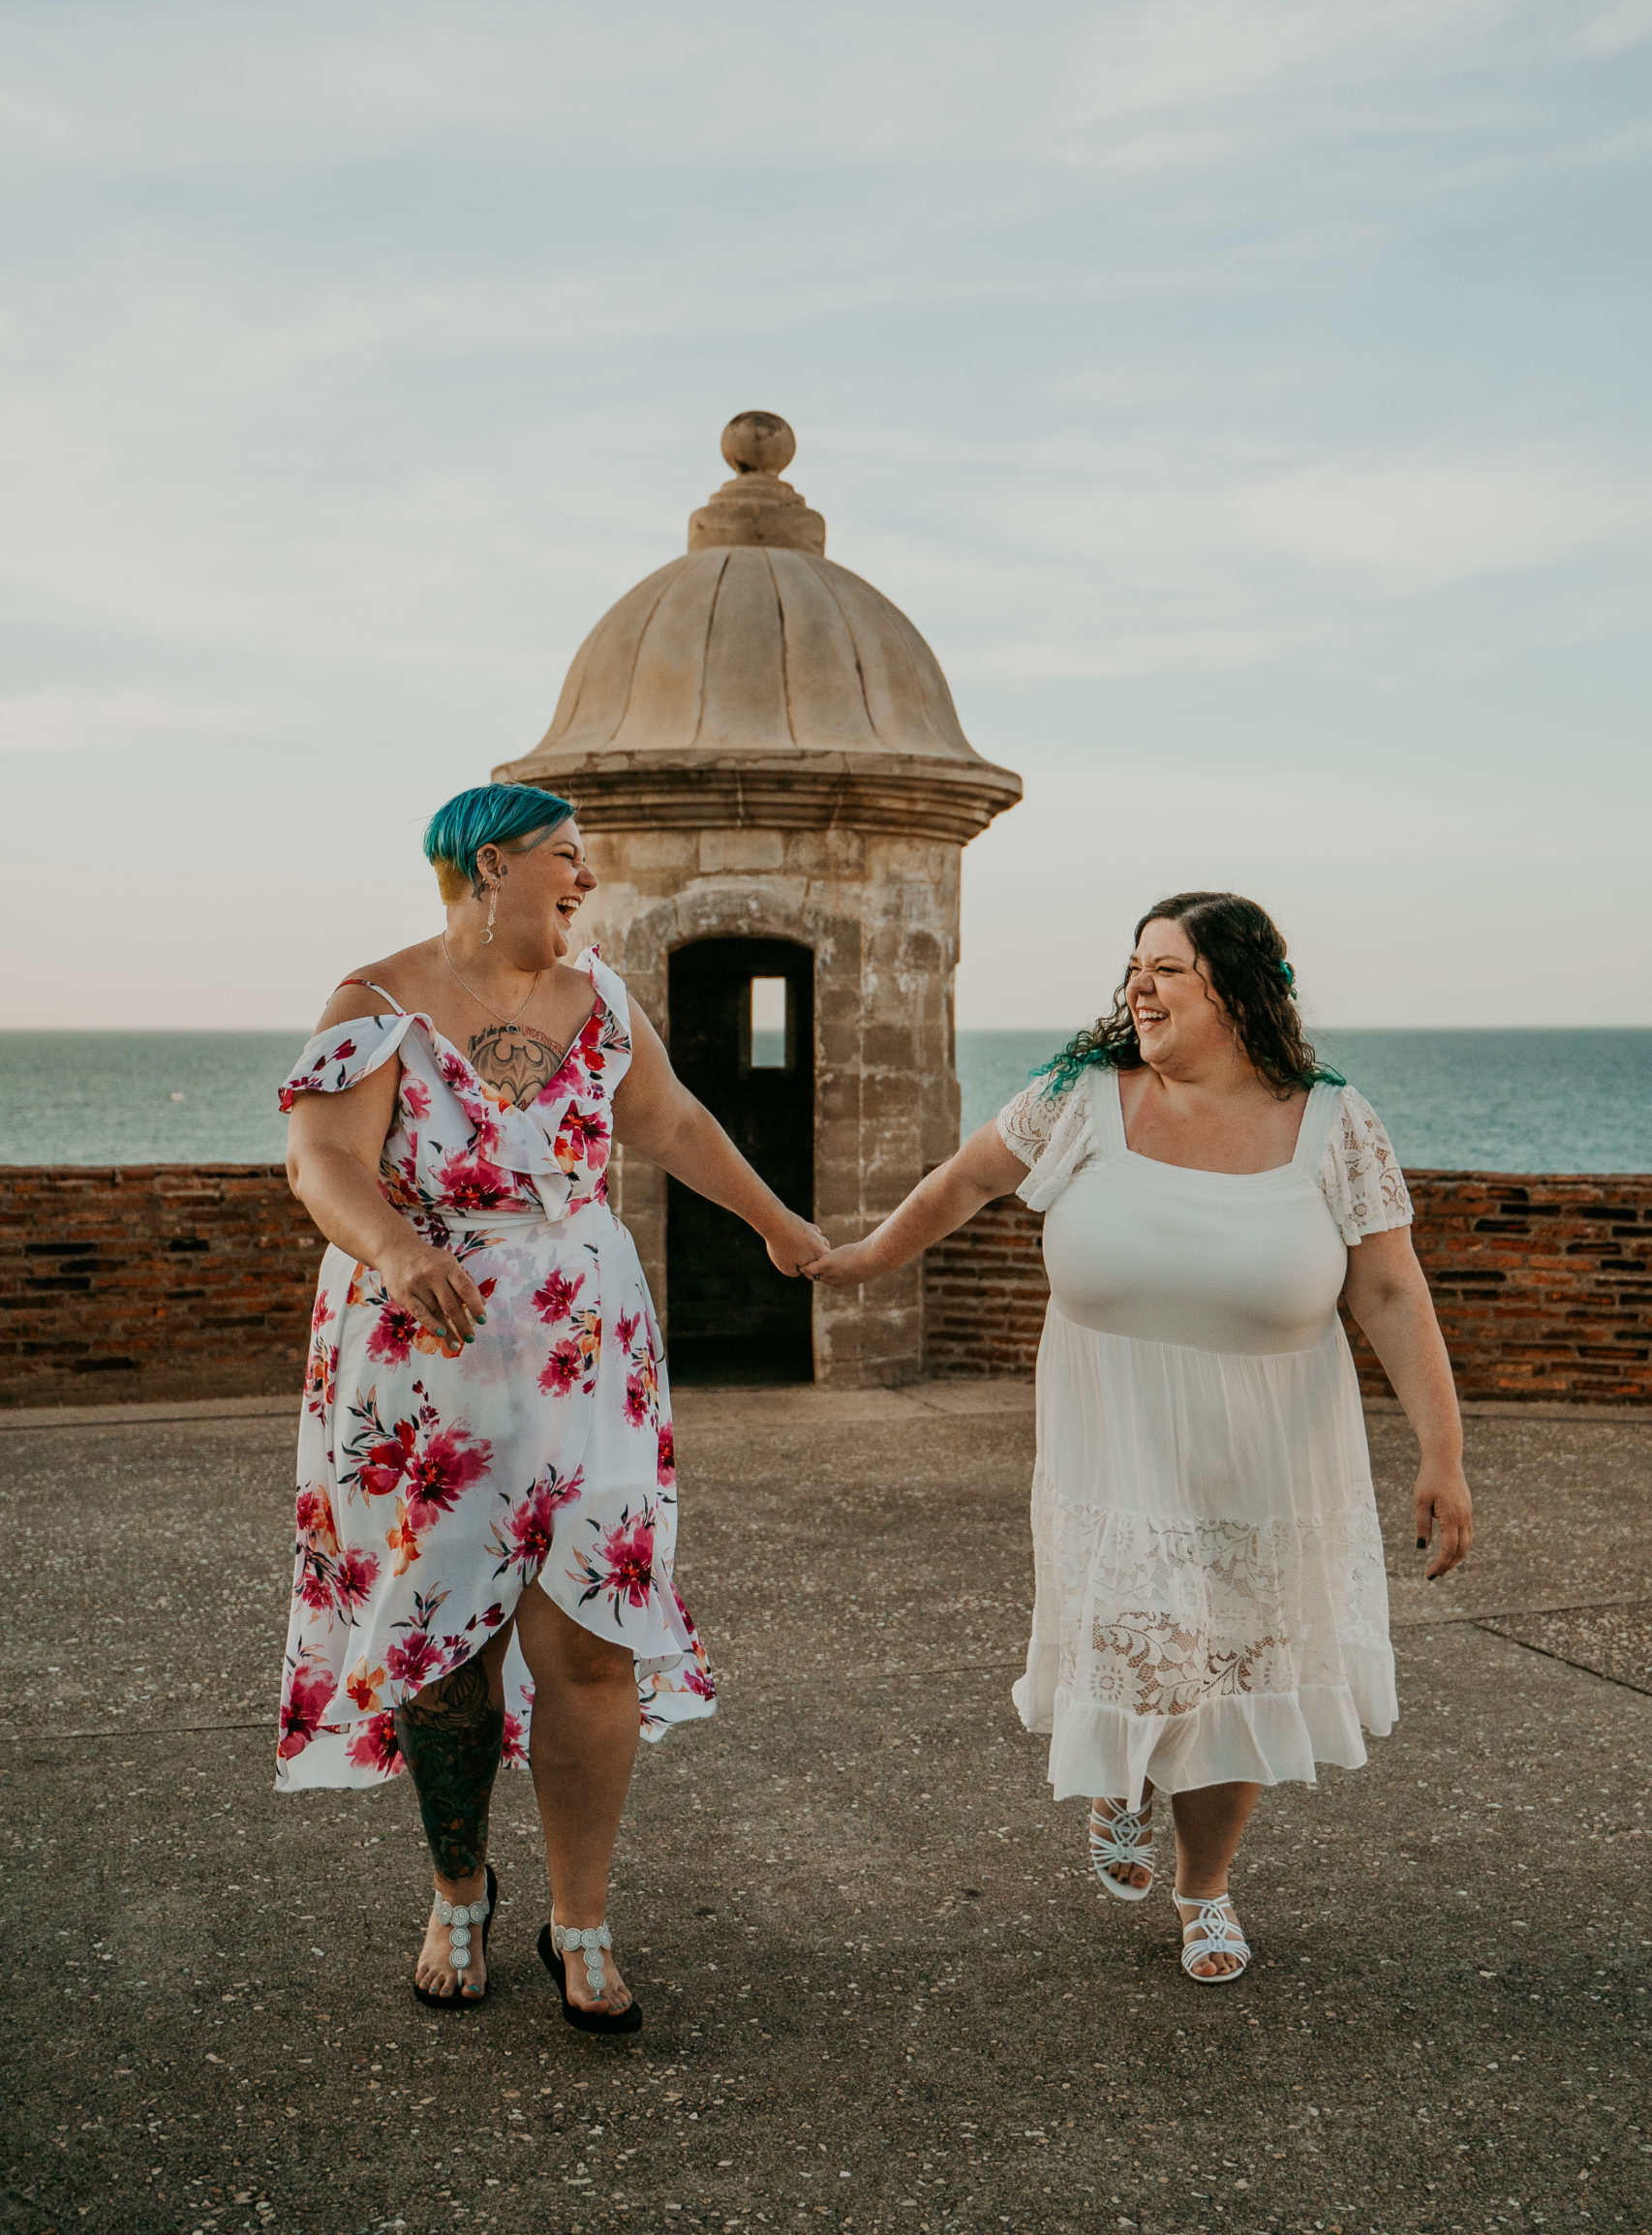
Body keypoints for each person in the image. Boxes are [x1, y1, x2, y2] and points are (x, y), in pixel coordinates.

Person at [807, 892, 1472, 1983]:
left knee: (1235, 1669)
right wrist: (866, 1260)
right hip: (1114, 1432)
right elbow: (967, 1179)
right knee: (1153, 1643)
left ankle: (1201, 1887)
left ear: (1240, 987)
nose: (1138, 989)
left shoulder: (1331, 1121)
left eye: (1166, 969)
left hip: (1267, 1447)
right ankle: (1123, 1781)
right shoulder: (1078, 1098)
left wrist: (1439, 1454)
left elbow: (1392, 1290)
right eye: (1134, 968)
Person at [276, 783, 825, 2028]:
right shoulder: (376, 1003)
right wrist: (397, 1251)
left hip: (587, 1349)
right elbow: (322, 1161)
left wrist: (777, 1224)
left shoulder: (604, 1003)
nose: (584, 880)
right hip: (427, 1358)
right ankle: (457, 1889)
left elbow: (673, 1121)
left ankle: (580, 1923)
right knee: (448, 1647)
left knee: (589, 1635)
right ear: (489, 866)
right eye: (566, 858)